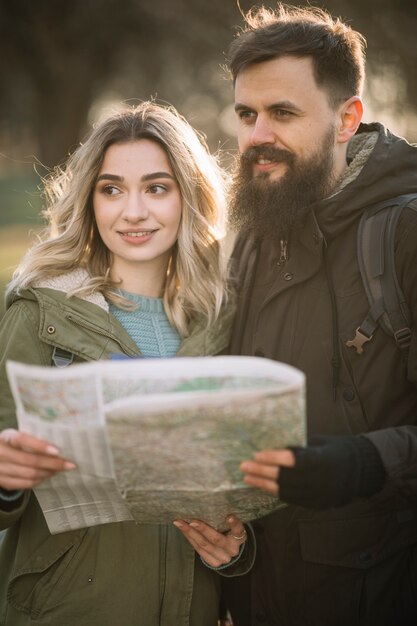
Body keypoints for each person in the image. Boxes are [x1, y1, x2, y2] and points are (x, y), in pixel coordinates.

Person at [0, 101, 253, 626]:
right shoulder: (38, 315)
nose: (132, 211)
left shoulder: (228, 322)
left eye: (156, 188)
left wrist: (236, 554)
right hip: (67, 608)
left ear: (189, 198)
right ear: (90, 201)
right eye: (111, 189)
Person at [221, 4, 417, 626]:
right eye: (247, 115)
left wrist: (363, 465)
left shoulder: (405, 232)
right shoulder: (253, 237)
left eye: (283, 113)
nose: (257, 137)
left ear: (346, 119)